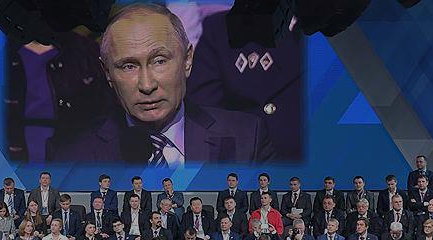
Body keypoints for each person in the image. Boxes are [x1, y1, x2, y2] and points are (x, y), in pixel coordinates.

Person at [49, 4, 274, 164]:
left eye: (159, 61)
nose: (147, 85)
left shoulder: (247, 138)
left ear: (187, 60)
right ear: (107, 72)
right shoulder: (71, 157)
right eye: (128, 66)